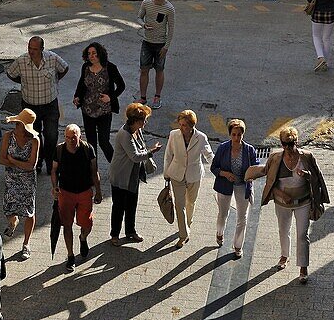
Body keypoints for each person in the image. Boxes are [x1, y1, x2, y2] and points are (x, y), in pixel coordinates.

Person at [245, 126, 330, 284]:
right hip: (282, 203)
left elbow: (317, 178)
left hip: (303, 202)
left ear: (297, 142)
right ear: (281, 143)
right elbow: (270, 181)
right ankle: (284, 256)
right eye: (285, 144)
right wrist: (281, 194)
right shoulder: (276, 158)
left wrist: (307, 175)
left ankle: (303, 267)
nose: (288, 148)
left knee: (302, 235)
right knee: (283, 230)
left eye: (291, 144)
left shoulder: (307, 157)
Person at [6, 36, 69, 173]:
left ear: (41, 49)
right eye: (29, 48)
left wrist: (55, 80)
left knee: (51, 135)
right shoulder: (22, 61)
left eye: (34, 49)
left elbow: (64, 68)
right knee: (34, 136)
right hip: (30, 106)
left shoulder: (52, 58)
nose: (31, 51)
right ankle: (37, 161)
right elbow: (10, 73)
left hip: (50, 105)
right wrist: (23, 82)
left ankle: (51, 164)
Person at [108, 103, 161, 246]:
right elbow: (135, 156)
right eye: (143, 120)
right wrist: (152, 151)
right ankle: (114, 235)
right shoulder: (124, 134)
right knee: (118, 206)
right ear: (136, 120)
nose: (145, 122)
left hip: (132, 175)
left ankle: (130, 231)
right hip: (121, 176)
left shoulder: (137, 130)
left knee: (132, 205)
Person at [52, 124, 102, 272]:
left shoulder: (88, 149)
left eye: (73, 138)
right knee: (67, 225)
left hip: (84, 192)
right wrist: (54, 186)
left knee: (86, 224)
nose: (70, 141)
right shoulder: (59, 150)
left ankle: (83, 238)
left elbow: (94, 172)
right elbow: (54, 170)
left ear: (80, 136)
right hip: (65, 193)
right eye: (67, 137)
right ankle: (71, 256)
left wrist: (98, 191)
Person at [210, 119, 260, 258]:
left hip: (242, 186)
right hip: (225, 185)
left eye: (239, 135)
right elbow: (213, 167)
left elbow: (256, 167)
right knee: (222, 214)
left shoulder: (249, 150)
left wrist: (251, 176)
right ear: (230, 134)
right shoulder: (223, 148)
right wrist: (225, 174)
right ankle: (220, 233)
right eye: (234, 134)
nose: (237, 138)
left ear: (243, 135)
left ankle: (238, 246)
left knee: (242, 218)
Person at [163, 110, 213, 248]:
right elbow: (168, 155)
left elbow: (208, 155)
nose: (181, 128)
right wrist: (166, 173)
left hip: (194, 175)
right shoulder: (174, 135)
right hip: (176, 174)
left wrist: (218, 169)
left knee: (191, 202)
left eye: (184, 125)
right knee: (179, 205)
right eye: (180, 124)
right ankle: (183, 235)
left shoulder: (201, 137)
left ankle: (188, 224)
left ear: (192, 125)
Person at [74, 42, 125, 162]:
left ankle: (116, 166)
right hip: (87, 110)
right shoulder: (85, 67)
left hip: (104, 111)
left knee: (104, 141)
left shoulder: (110, 68)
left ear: (100, 54)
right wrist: (77, 97)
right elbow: (82, 84)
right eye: (89, 54)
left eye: (94, 53)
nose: (91, 56)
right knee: (91, 143)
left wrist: (111, 97)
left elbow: (121, 86)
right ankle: (93, 170)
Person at [0, 110, 39, 253]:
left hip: (28, 181)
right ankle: (13, 221)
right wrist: (19, 164)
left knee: (29, 211)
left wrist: (13, 160)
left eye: (20, 124)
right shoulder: (8, 136)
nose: (17, 126)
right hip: (11, 178)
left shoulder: (34, 140)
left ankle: (26, 243)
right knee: (8, 207)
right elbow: (2, 159)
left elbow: (31, 165)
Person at [138, 0, 175, 109]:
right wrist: (143, 25)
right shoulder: (146, 3)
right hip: (147, 42)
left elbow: (171, 29)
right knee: (144, 69)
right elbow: (139, 17)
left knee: (159, 70)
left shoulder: (169, 8)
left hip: (160, 43)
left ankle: (157, 96)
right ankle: (143, 97)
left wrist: (166, 47)